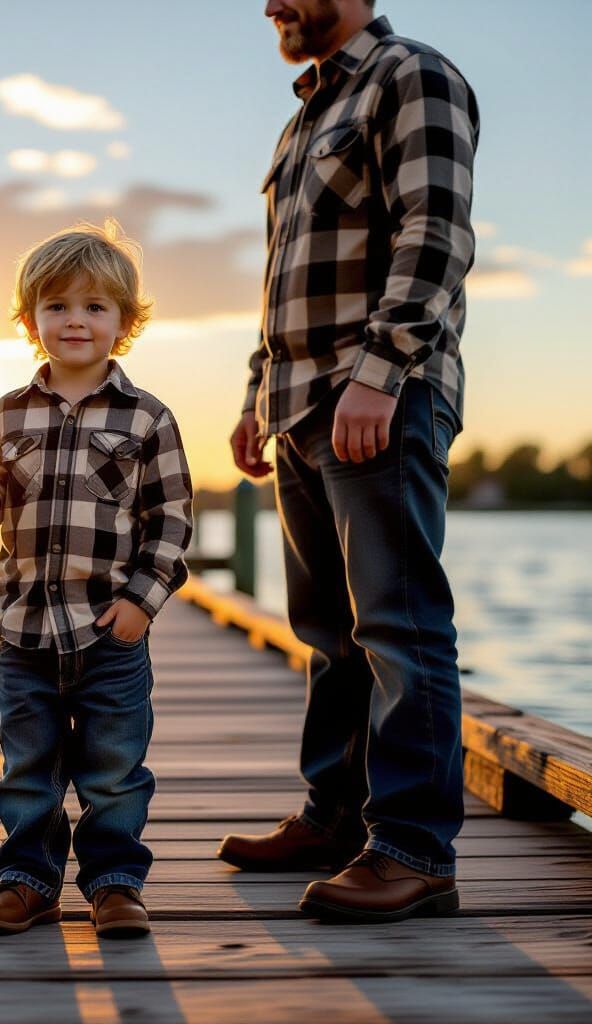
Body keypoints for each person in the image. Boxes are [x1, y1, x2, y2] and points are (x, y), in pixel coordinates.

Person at [217, 0, 480, 923]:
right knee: (329, 630)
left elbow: (435, 236)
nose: (270, 4)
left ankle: (412, 849)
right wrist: (259, 392)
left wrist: (379, 375)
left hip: (379, 397)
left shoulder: (413, 74)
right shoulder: (304, 118)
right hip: (296, 406)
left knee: (399, 626)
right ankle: (336, 817)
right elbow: (285, 277)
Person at [0, 221, 193, 937]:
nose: (75, 319)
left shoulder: (148, 418)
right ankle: (27, 880)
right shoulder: (7, 413)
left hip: (110, 630)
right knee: (28, 767)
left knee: (114, 768)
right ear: (30, 320)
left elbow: (171, 522)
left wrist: (144, 602)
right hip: (24, 631)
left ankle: (114, 883)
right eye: (57, 306)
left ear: (125, 323)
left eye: (95, 306)